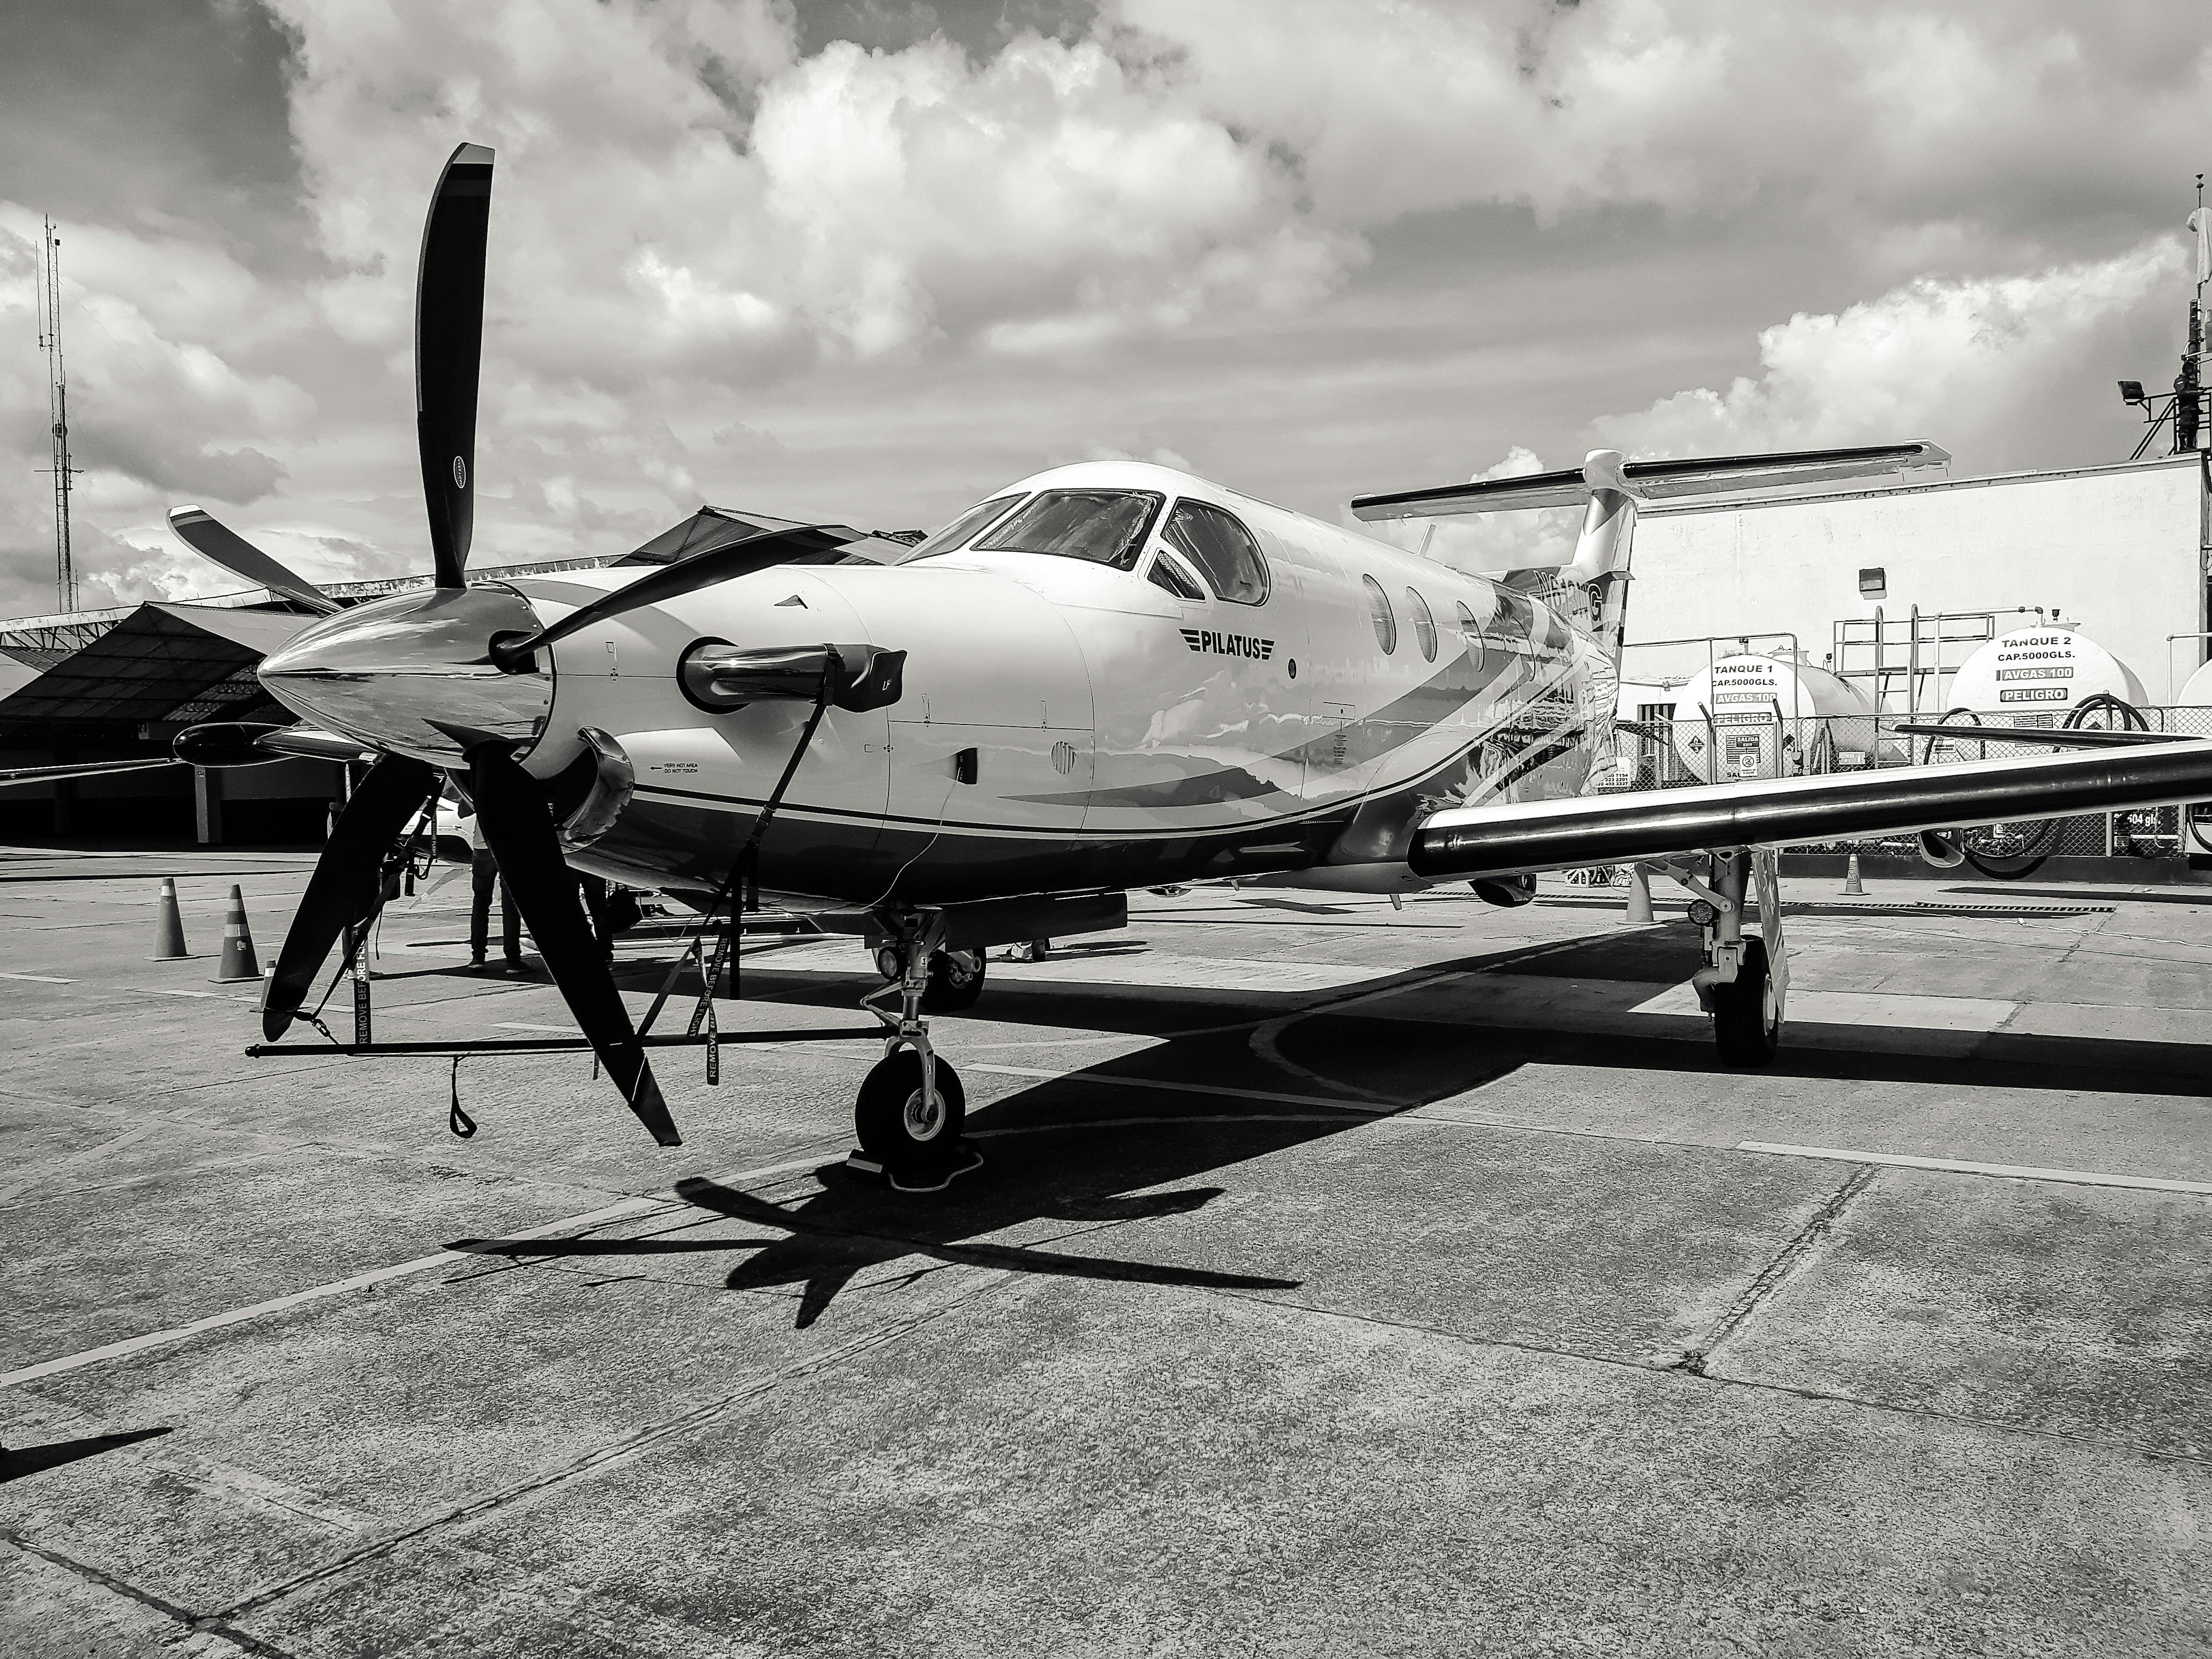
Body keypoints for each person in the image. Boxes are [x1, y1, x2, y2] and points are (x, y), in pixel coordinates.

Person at [465, 809, 525, 973]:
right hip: (509, 845)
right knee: (510, 906)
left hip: (482, 846)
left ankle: (478, 958)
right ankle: (513, 960)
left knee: (481, 903)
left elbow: (462, 812)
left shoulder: (478, 786)